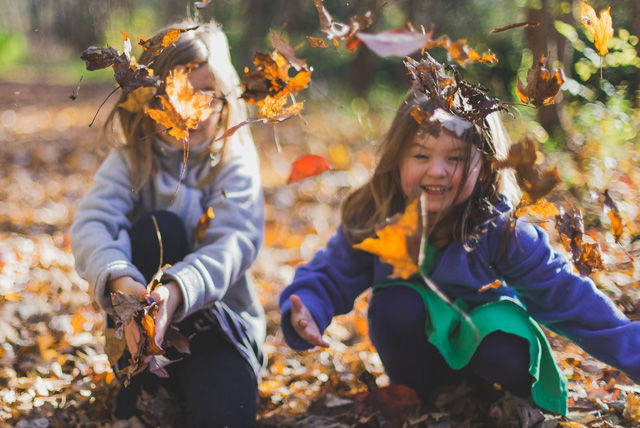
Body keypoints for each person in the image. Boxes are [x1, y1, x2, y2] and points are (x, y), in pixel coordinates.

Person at [278, 56, 640, 416]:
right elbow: (332, 272)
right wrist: (309, 305)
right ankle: (417, 396)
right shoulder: (378, 215)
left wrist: (633, 352)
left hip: (488, 350)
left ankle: (497, 400)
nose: (437, 170)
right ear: (397, 158)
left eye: (455, 159)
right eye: (421, 155)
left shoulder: (501, 230)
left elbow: (568, 297)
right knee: (396, 303)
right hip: (418, 356)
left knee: (502, 338)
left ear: (484, 167)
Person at [70, 20, 265, 427]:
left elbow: (235, 242)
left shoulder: (233, 162)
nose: (188, 108)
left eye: (204, 93)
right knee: (159, 227)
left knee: (226, 417)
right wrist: (121, 282)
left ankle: (206, 383)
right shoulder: (130, 161)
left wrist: (178, 291)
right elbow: (93, 223)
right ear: (146, 98)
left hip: (218, 328)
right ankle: (141, 379)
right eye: (173, 92)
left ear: (224, 96)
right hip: (139, 332)